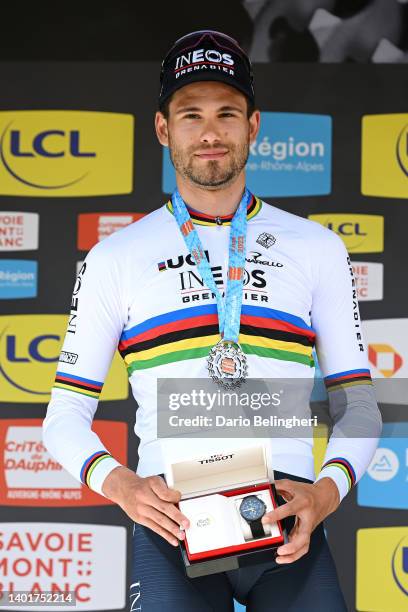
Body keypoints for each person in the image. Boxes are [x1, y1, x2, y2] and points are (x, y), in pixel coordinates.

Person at [43, 29, 382, 611]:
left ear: (253, 126)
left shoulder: (318, 248)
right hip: (172, 528)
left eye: (227, 113)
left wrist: (325, 495)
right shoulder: (114, 257)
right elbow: (63, 417)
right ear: (162, 128)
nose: (209, 132)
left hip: (287, 526)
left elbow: (360, 404)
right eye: (190, 113)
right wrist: (122, 486)